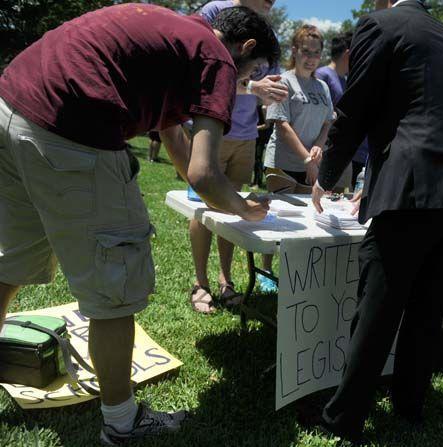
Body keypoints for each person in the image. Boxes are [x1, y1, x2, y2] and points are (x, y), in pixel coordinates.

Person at [0, 5, 279, 444]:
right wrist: (243, 208)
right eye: (255, 69)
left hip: (12, 103)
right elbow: (206, 175)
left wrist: (218, 193)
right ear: (245, 48)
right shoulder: (218, 58)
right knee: (116, 286)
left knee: (8, 263)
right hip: (71, 129)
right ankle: (123, 423)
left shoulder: (176, 37)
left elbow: (178, 145)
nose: (247, 81)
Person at [311, 0, 443, 440]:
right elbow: (421, 113)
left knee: (378, 308)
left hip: (415, 188)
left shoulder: (381, 25)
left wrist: (326, 176)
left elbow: (356, 108)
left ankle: (344, 417)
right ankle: (410, 404)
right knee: (429, 306)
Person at [187, 0, 287, 313]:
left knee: (229, 209)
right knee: (205, 205)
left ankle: (225, 280)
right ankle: (200, 283)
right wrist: (254, 86)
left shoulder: (265, 32)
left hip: (244, 132)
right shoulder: (217, 11)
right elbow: (203, 69)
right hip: (210, 125)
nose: (271, 3)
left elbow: (269, 79)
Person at [263, 25, 334, 186]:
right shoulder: (283, 81)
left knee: (310, 211)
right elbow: (282, 126)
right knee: (283, 211)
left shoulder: (323, 87)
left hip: (312, 166)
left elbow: (327, 122)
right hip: (283, 164)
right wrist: (307, 159)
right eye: (306, 51)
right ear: (294, 51)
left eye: (316, 53)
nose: (311, 58)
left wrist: (318, 146)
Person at [315, 32, 365, 190]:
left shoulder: (344, 79)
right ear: (348, 53)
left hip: (338, 147)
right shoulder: (322, 75)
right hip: (323, 148)